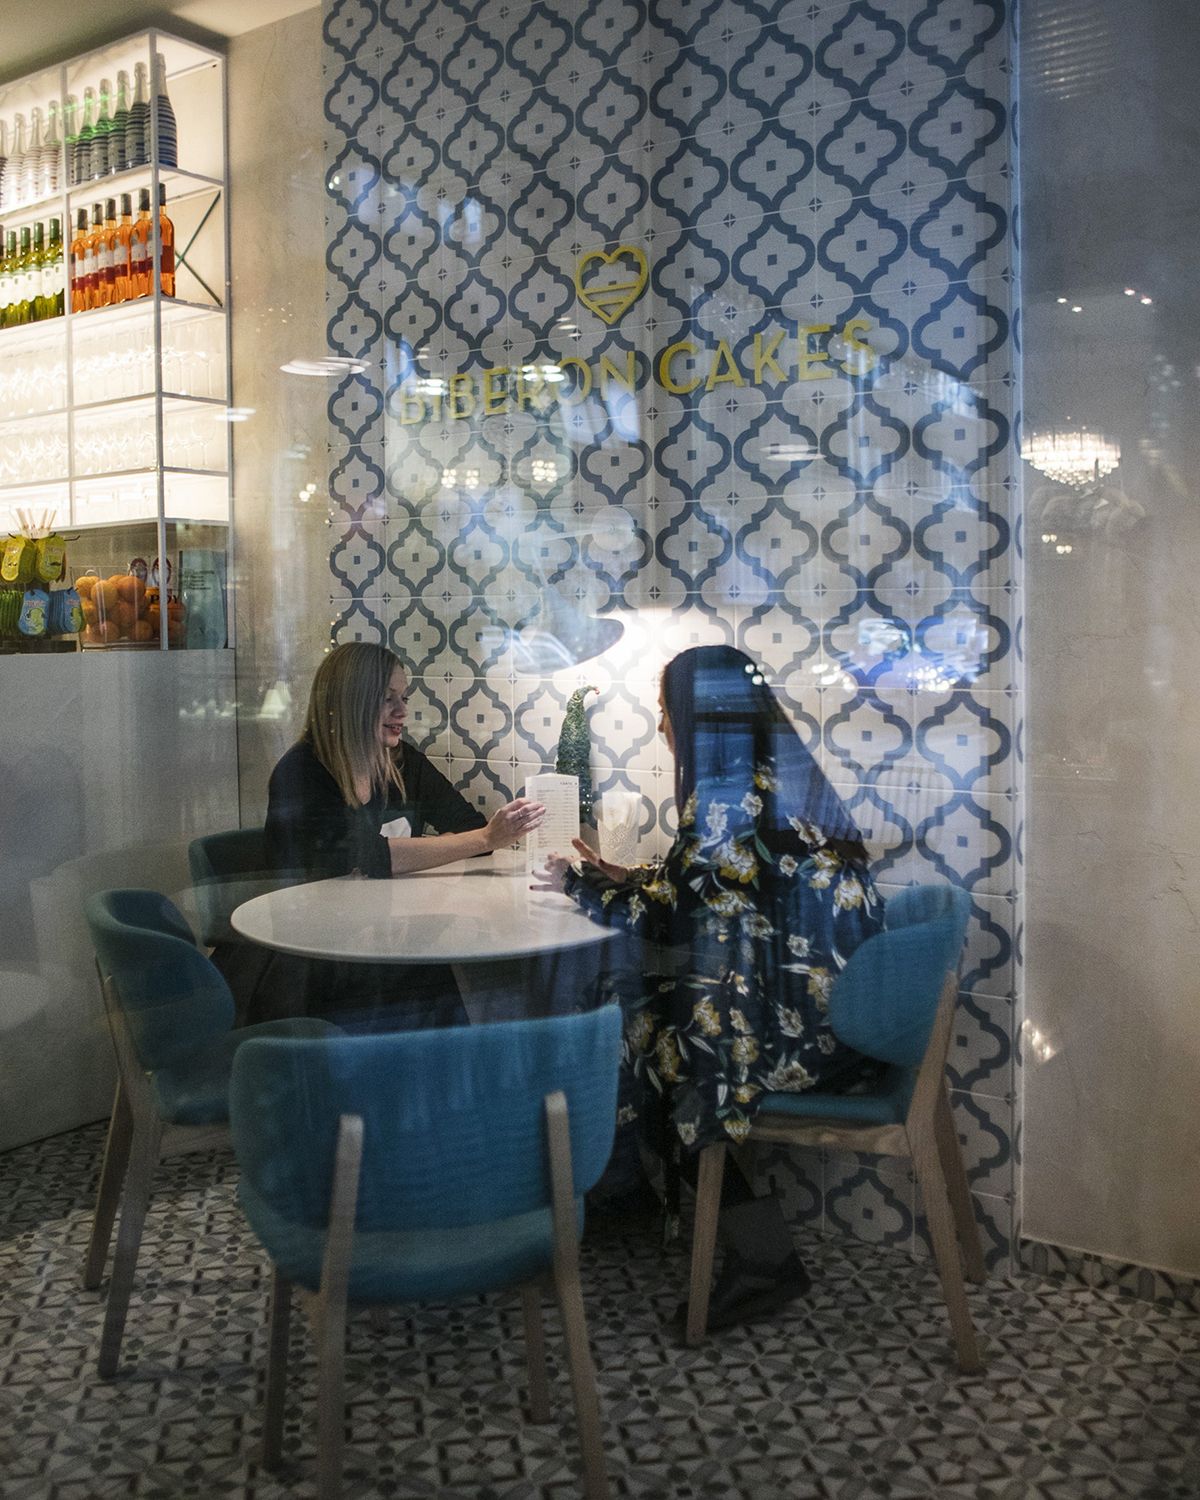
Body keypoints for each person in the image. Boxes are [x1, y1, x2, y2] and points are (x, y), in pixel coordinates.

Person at [537, 644, 883, 1329]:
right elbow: (718, 889)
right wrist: (632, 877)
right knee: (640, 1013)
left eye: (666, 711)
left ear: (697, 716)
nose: (662, 726)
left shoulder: (725, 797)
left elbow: (670, 921)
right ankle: (640, 1195)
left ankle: (753, 1255)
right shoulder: (768, 775)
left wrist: (576, 886)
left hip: (811, 1038)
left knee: (638, 1033)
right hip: (846, 1015)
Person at [232, 642, 543, 1029]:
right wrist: (485, 838)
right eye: (386, 698)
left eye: (404, 697)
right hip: (310, 958)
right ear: (350, 702)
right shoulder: (302, 773)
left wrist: (476, 841)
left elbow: (464, 822)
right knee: (437, 984)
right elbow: (368, 857)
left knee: (443, 974)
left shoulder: (396, 761)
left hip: (369, 938)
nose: (402, 711)